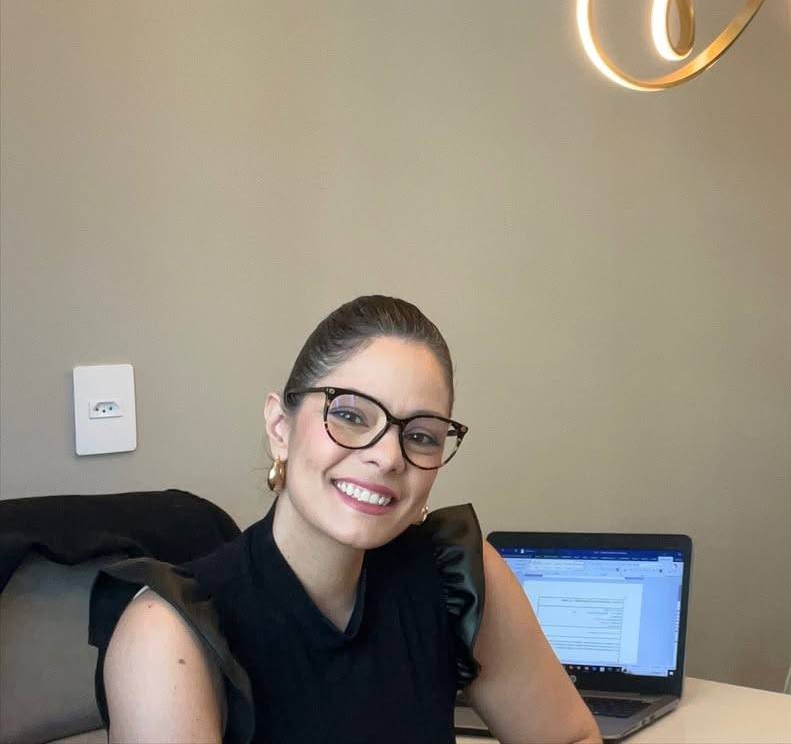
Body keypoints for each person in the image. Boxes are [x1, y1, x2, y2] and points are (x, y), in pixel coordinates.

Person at [89, 294, 601, 744]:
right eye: (351, 415)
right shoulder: (168, 633)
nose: (388, 457)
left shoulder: (458, 577)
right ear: (280, 427)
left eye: (421, 436)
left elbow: (572, 736)